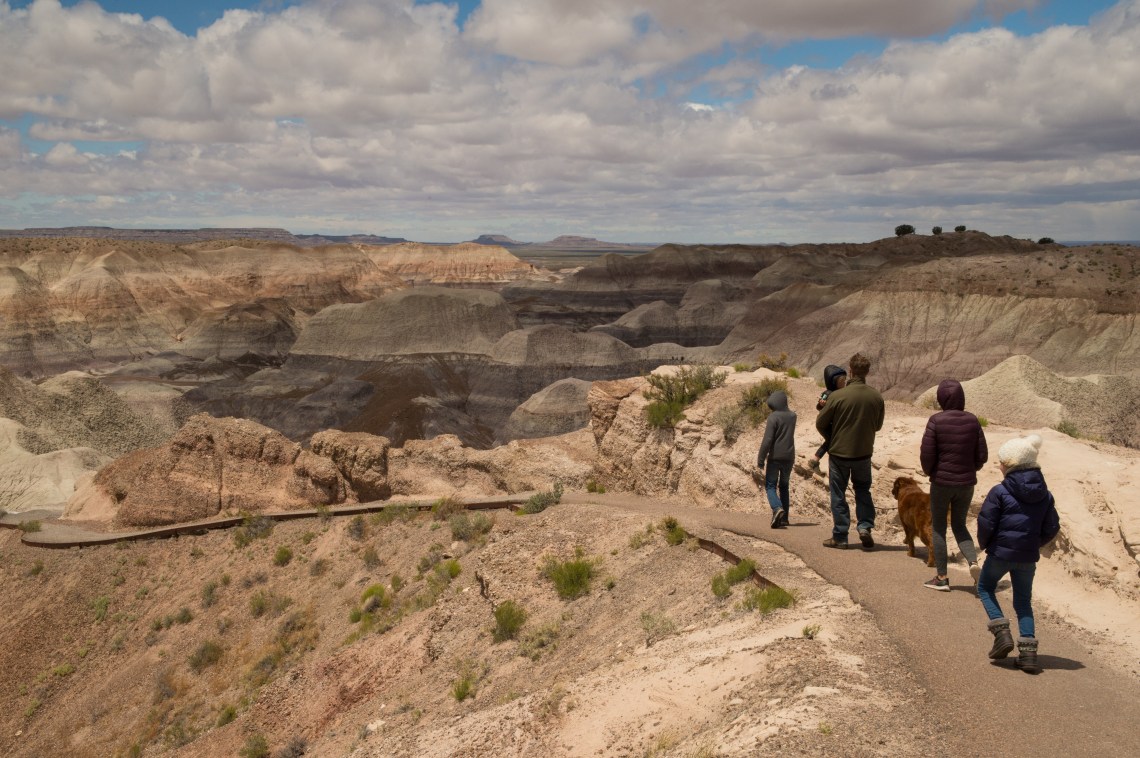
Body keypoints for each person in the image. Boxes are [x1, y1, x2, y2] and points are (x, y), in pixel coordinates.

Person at [976, 433, 1060, 674]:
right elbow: (1052, 526)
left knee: (985, 588)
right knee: (1023, 602)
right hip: (1027, 557)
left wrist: (987, 545)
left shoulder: (999, 491)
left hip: (1000, 554)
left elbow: (986, 523)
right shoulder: (1045, 494)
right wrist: (1034, 543)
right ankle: (1029, 655)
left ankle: (1002, 633)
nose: (999, 466)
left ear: (1011, 465)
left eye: (1002, 462)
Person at [919, 379, 988, 591]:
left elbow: (927, 454)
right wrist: (971, 469)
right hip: (966, 483)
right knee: (959, 525)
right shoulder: (973, 421)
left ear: (941, 399)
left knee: (939, 528)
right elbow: (982, 455)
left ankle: (941, 577)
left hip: (941, 482)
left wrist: (932, 473)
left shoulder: (936, 420)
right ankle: (974, 564)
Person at [815, 353, 884, 550]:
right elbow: (877, 426)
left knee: (838, 494)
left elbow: (820, 423)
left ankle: (841, 536)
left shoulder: (836, 397)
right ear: (867, 372)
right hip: (863, 453)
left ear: (851, 371)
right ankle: (864, 527)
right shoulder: (876, 397)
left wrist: (832, 437)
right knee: (863, 490)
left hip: (839, 454)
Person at [756, 390, 796, 529]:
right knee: (784, 486)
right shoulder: (793, 416)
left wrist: (761, 459)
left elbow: (768, 440)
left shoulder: (773, 417)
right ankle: (784, 519)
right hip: (789, 457)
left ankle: (777, 508)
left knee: (770, 486)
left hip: (775, 457)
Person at [808, 365, 847, 474]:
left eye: (844, 380)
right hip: (826, 424)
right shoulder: (827, 393)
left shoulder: (841, 393)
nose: (844, 382)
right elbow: (818, 406)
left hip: (831, 424)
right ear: (834, 381)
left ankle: (816, 461)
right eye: (841, 381)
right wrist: (821, 403)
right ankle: (816, 461)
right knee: (831, 442)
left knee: (830, 442)